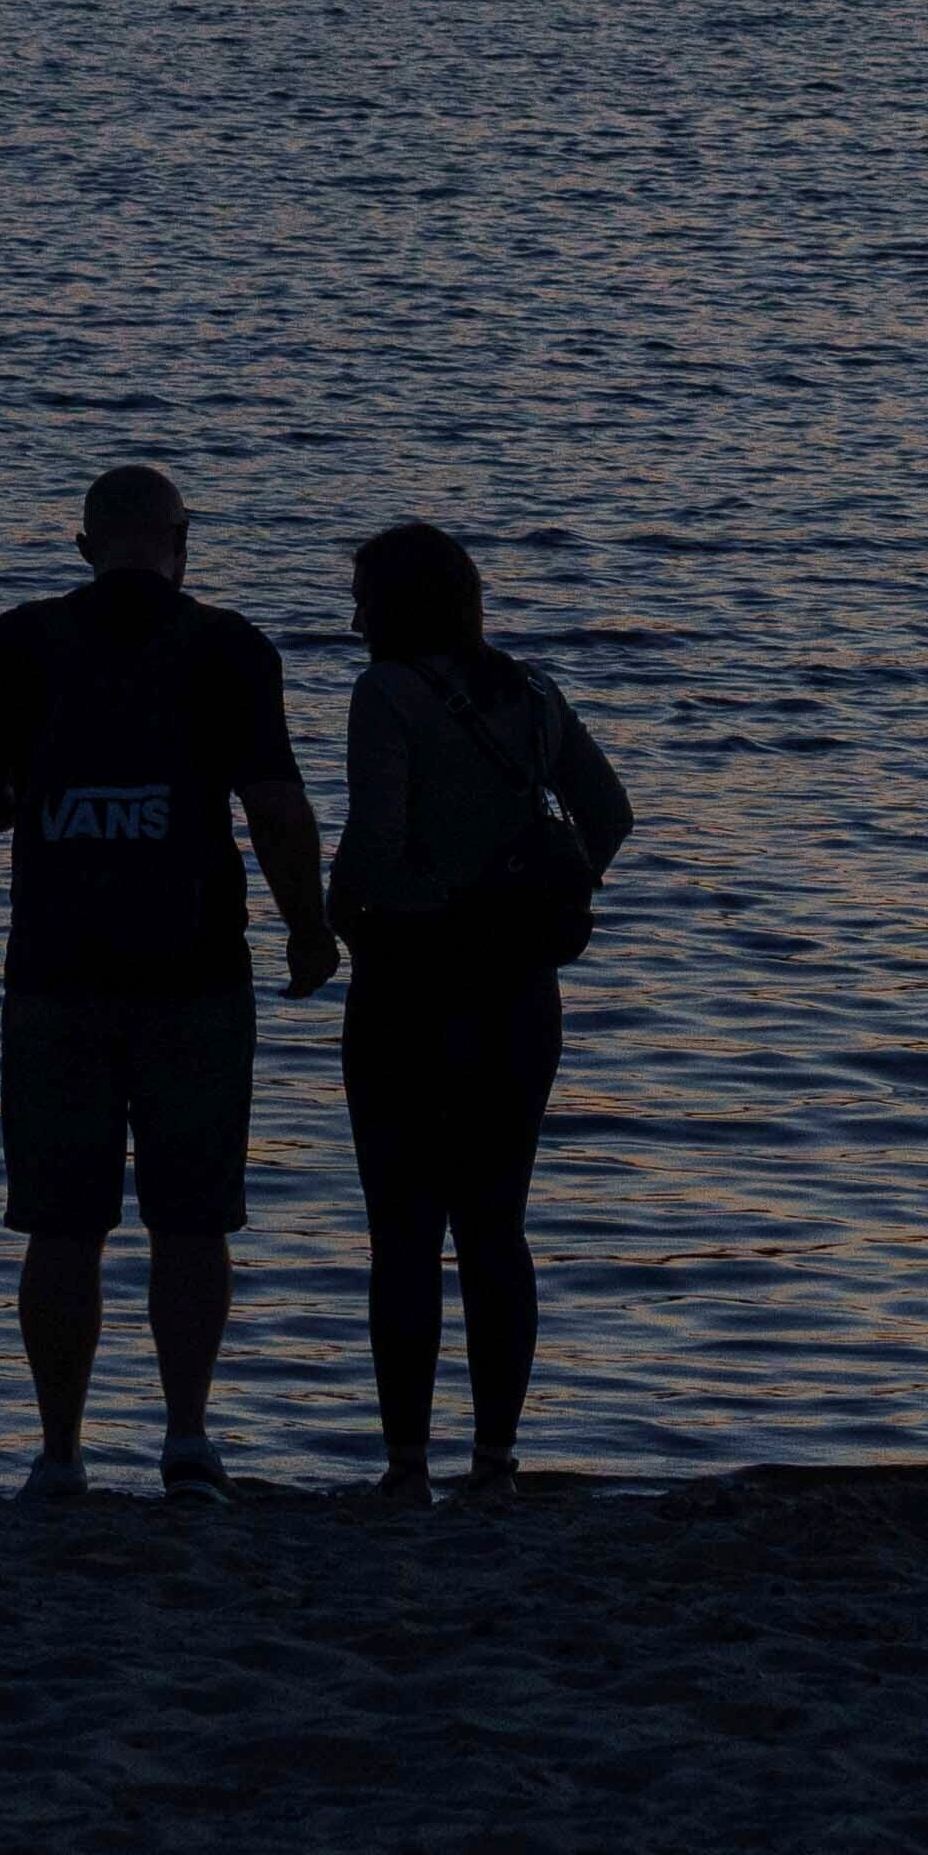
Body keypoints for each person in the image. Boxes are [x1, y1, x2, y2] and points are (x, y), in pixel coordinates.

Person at [0, 462, 333, 1497]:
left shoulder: (18, 641)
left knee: (62, 1224)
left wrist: (28, 806)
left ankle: (60, 1453)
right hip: (195, 970)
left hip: (54, 972)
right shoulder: (229, 647)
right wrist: (309, 928)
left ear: (84, 547)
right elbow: (276, 806)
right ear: (182, 543)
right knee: (191, 1221)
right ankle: (187, 1438)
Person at [324, 521, 634, 1496]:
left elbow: (374, 842)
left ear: (393, 607)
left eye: (363, 600)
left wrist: (338, 917)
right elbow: (611, 813)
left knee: (405, 1234)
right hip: (517, 990)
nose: (355, 620)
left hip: (408, 985)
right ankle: (495, 1459)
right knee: (497, 1227)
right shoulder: (535, 693)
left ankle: (406, 1467)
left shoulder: (387, 693)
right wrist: (540, 894)